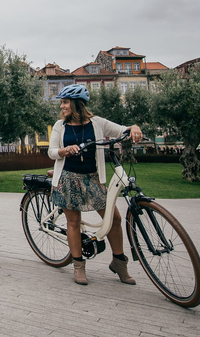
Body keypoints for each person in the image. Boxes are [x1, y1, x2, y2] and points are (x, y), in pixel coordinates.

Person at [47, 84, 143, 286]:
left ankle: (119, 263)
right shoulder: (60, 126)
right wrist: (65, 151)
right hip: (68, 179)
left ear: (76, 104)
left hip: (93, 179)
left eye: (65, 102)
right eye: (62, 103)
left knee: (114, 218)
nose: (62, 106)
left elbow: (121, 129)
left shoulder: (97, 123)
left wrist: (133, 127)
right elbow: (52, 151)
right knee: (73, 222)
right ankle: (78, 266)